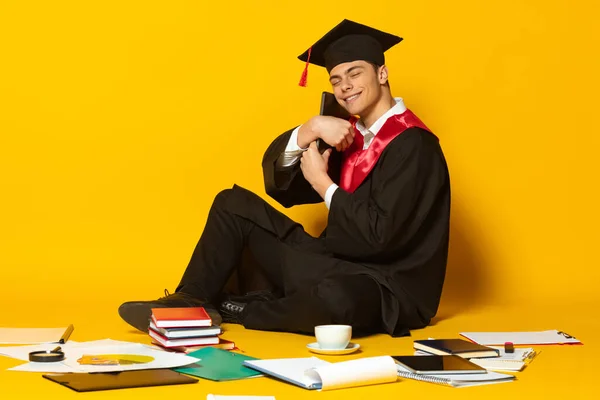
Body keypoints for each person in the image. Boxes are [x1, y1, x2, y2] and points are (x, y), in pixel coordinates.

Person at [119, 19, 451, 337]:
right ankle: (192, 300)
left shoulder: (414, 144)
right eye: (336, 79)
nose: (345, 86)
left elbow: (380, 237)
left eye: (354, 73)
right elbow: (283, 188)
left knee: (335, 297)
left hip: (386, 286)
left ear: (382, 73)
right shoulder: (350, 135)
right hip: (333, 263)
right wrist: (309, 130)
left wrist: (325, 184)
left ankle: (240, 308)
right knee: (231, 204)